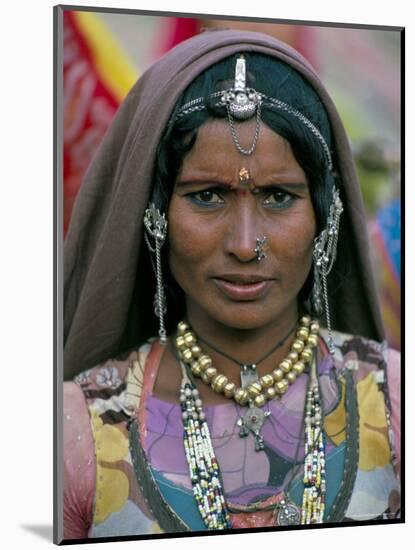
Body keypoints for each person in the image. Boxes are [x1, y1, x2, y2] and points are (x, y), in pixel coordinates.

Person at [63, 29, 401, 539]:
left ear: (326, 217)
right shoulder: (74, 434)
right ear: (154, 214)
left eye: (279, 197)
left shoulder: (398, 403)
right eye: (207, 196)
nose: (245, 245)